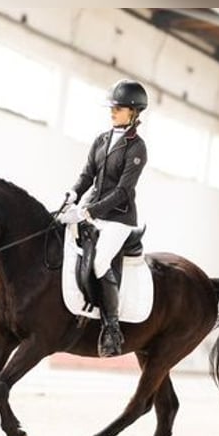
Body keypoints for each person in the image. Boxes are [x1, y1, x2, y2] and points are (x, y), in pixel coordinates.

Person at [57, 79, 148, 357]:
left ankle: (111, 328)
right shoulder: (102, 139)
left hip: (118, 219)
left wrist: (87, 212)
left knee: (99, 261)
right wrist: (73, 194)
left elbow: (123, 191)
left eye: (118, 108)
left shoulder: (137, 148)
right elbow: (87, 174)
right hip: (92, 209)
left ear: (133, 112)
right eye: (112, 107)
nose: (112, 112)